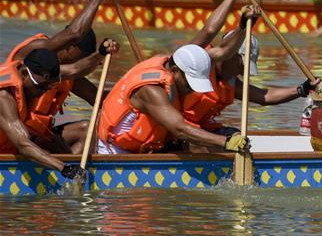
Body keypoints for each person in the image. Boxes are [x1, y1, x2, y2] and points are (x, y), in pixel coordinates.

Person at [5, 0, 120, 154]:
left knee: (88, 130)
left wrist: (136, 98)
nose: (80, 63)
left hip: (39, 135)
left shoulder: (67, 74)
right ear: (68, 47)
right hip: (13, 135)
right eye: (80, 57)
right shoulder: (33, 52)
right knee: (53, 142)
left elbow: (100, 100)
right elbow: (74, 34)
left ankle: (72, 169)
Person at [181, 6, 318, 143]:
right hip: (180, 130)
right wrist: (241, 19)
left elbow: (264, 97)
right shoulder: (194, 63)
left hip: (200, 128)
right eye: (243, 66)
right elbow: (208, 30)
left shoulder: (230, 82)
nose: (242, 73)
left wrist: (302, 89)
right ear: (231, 55)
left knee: (236, 136)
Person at [97, 44, 250, 154]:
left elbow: (221, 49)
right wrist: (225, 142)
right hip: (116, 150)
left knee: (197, 145)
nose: (192, 90)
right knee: (202, 144)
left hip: (145, 147)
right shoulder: (152, 90)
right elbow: (180, 129)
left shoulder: (172, 66)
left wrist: (242, 27)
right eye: (189, 83)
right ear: (175, 70)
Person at [0, 48, 89, 180]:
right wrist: (63, 168)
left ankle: (79, 172)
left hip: (10, 145)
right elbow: (23, 144)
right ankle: (73, 173)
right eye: (40, 87)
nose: (42, 92)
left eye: (48, 88)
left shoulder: (23, 86)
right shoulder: (4, 97)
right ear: (24, 74)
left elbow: (76, 70)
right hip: (7, 155)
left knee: (54, 141)